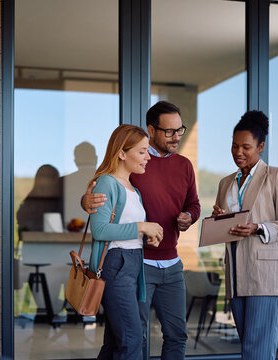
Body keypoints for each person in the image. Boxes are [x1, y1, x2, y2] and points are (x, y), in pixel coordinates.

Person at [83, 101, 200, 360]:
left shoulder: (176, 167)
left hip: (163, 263)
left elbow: (193, 204)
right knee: (131, 338)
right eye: (169, 131)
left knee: (137, 338)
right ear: (152, 129)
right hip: (133, 264)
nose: (177, 136)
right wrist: (86, 201)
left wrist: (188, 217)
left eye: (180, 130)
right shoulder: (129, 170)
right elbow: (103, 195)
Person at [211, 110, 278, 360]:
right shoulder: (226, 183)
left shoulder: (276, 177)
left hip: (265, 277)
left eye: (246, 147)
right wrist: (219, 219)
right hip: (236, 277)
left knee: (257, 352)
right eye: (234, 146)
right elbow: (225, 228)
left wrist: (258, 227)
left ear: (260, 147)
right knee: (248, 349)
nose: (238, 152)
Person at [89, 124, 163, 360]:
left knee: (116, 341)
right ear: (122, 152)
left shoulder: (133, 189)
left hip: (132, 264)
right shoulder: (106, 183)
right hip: (115, 264)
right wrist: (142, 227)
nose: (148, 157)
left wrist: (146, 236)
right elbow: (100, 229)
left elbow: (125, 230)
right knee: (131, 338)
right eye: (142, 151)